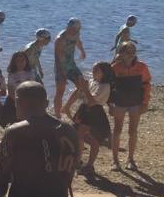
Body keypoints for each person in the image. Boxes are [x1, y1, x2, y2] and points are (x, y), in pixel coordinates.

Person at [64, 62, 113, 176]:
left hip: (95, 113)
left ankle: (85, 163)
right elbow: (82, 96)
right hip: (84, 110)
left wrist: (85, 89)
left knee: (89, 138)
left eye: (97, 70)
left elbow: (92, 101)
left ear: (104, 73)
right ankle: (81, 162)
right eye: (93, 69)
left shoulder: (105, 86)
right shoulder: (92, 82)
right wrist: (69, 103)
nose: (93, 72)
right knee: (82, 136)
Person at [109, 42, 152, 171]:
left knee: (133, 131)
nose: (131, 53)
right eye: (128, 51)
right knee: (117, 130)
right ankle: (115, 161)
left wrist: (145, 103)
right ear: (121, 53)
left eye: (133, 50)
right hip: (119, 103)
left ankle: (131, 159)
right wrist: (110, 104)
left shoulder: (142, 66)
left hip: (135, 103)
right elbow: (109, 88)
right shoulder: (115, 67)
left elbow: (147, 84)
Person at [53, 18, 88, 117]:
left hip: (71, 65)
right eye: (72, 29)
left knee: (83, 85)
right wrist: (60, 72)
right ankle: (57, 115)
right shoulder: (60, 38)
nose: (75, 31)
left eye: (77, 29)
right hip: (61, 66)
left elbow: (78, 41)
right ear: (68, 27)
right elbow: (56, 57)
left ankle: (66, 107)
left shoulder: (76, 34)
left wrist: (82, 51)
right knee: (60, 91)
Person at [0, 51, 35, 127]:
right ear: (14, 62)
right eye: (18, 61)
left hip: (27, 98)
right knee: (7, 118)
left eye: (23, 60)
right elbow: (10, 89)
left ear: (26, 61)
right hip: (14, 98)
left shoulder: (30, 72)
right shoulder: (12, 74)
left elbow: (33, 87)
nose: (21, 63)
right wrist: (17, 102)